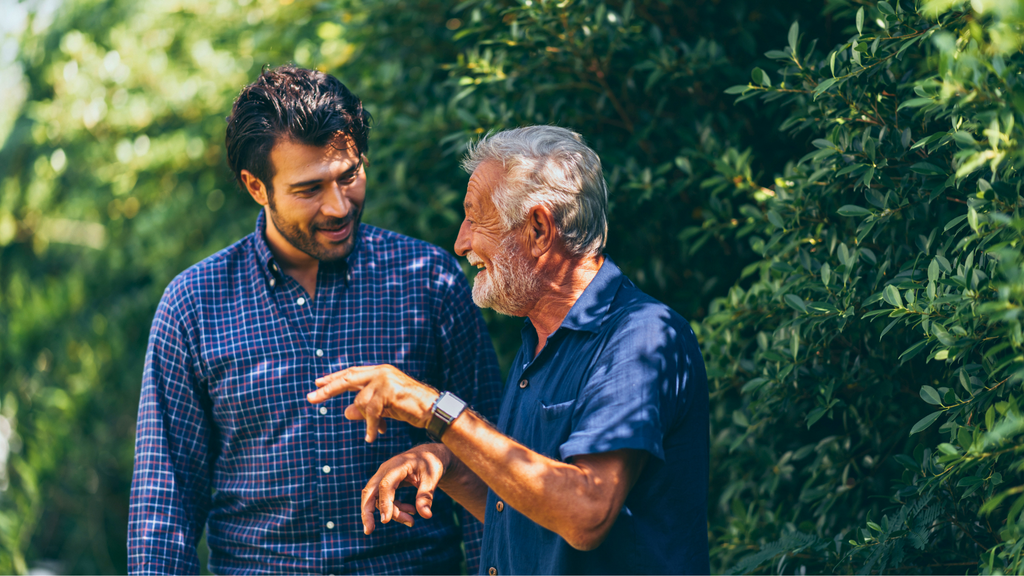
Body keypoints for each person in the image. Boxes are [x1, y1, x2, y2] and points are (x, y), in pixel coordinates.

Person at [128, 65, 502, 575]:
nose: (338, 205)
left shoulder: (428, 281)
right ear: (256, 186)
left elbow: (493, 462)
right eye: (309, 189)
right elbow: (164, 503)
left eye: (349, 175)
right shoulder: (193, 305)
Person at [308, 125, 710, 574]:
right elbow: (533, 516)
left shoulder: (640, 337)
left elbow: (586, 514)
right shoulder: (536, 341)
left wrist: (435, 411)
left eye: (476, 219)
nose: (461, 243)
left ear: (539, 229)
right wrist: (451, 466)